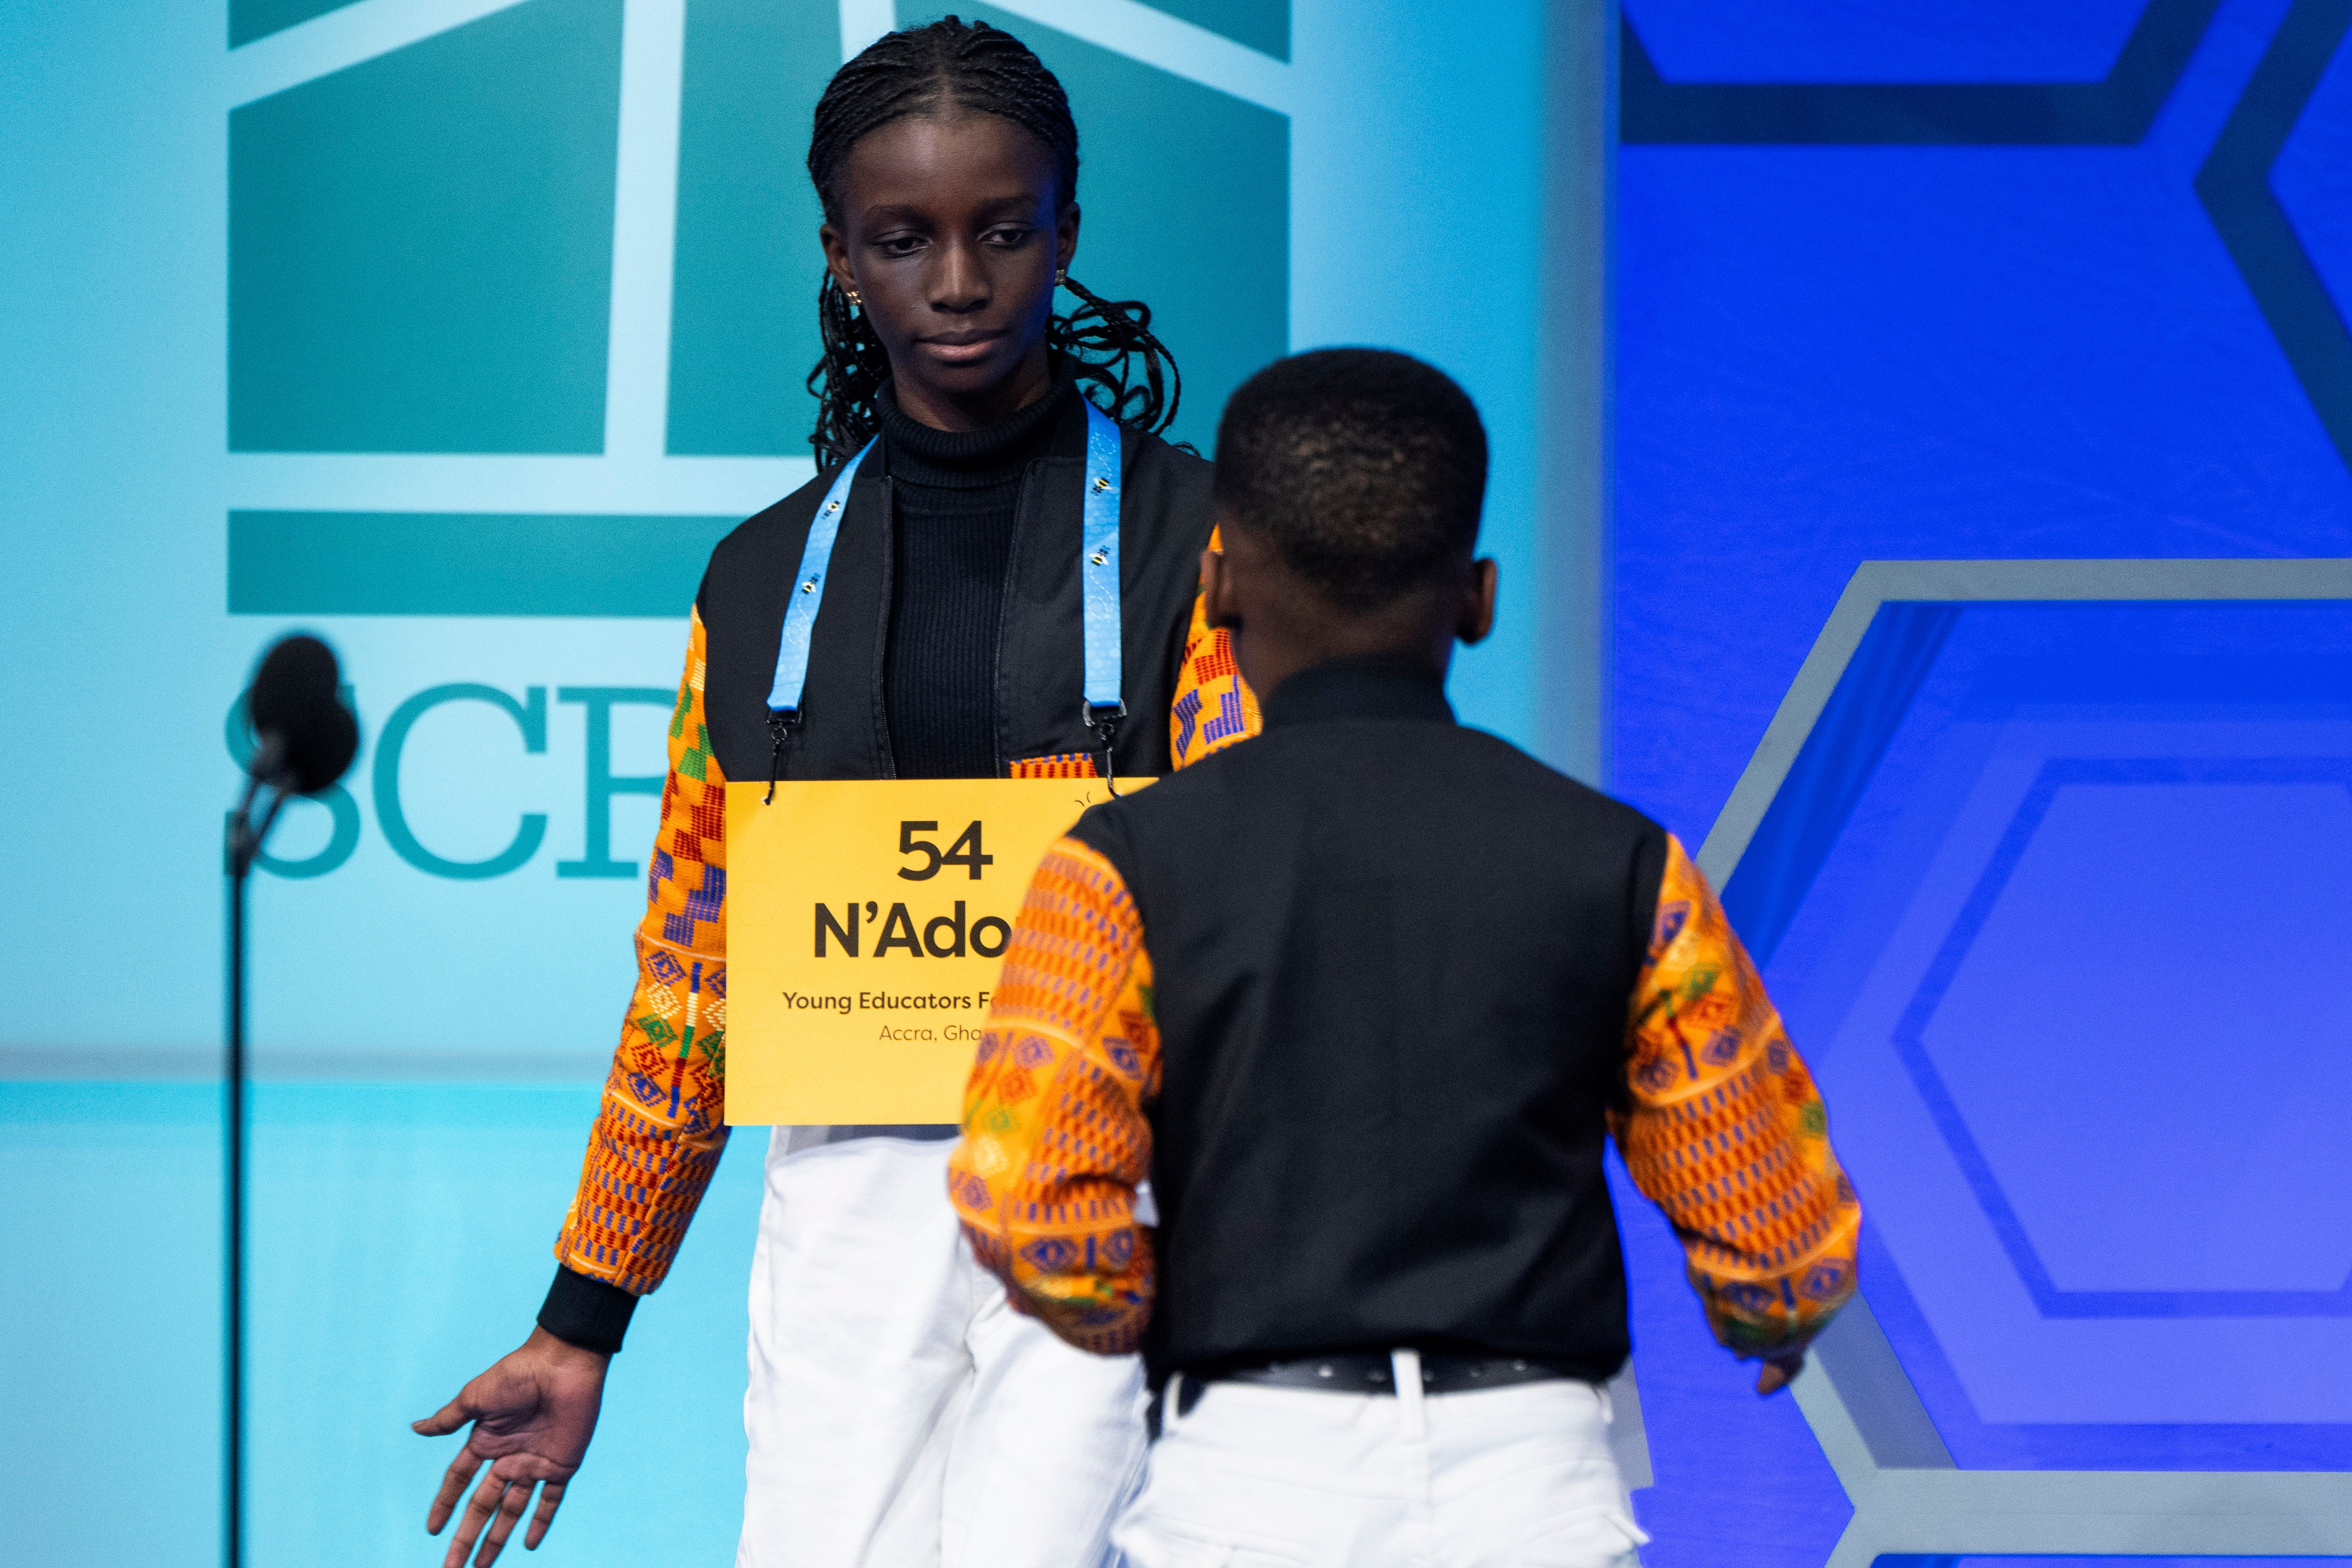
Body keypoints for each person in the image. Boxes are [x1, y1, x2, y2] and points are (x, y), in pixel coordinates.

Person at [411, 19, 1258, 1568]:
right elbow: (696, 976)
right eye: (902, 238)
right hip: (848, 1200)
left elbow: (1273, 914)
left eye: (1002, 232)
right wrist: (582, 1321)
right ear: (836, 254)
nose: (955, 282)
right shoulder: (750, 583)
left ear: (1067, 230)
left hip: (1125, 1182)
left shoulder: (1199, 542)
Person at [947, 349, 1863, 1567]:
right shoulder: (1627, 864)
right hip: (1532, 1481)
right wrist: (1768, 1319)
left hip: (1249, 1477)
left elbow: (1026, 1194)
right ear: (1478, 598)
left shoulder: (1115, 866)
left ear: (1215, 590)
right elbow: (1776, 1223)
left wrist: (1148, 1313)